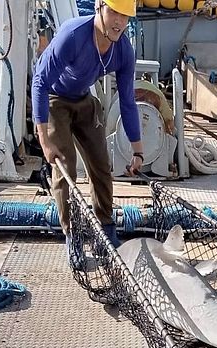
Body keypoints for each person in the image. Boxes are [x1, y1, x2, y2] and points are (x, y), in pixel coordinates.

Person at [31, 0, 143, 266]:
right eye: (114, 11)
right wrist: (44, 139)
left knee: (101, 165)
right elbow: (40, 82)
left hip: (84, 100)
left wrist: (138, 150)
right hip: (56, 99)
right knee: (65, 169)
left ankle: (106, 231)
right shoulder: (73, 36)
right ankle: (73, 237)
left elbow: (127, 100)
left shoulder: (123, 50)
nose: (119, 21)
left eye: (125, 16)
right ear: (99, 7)